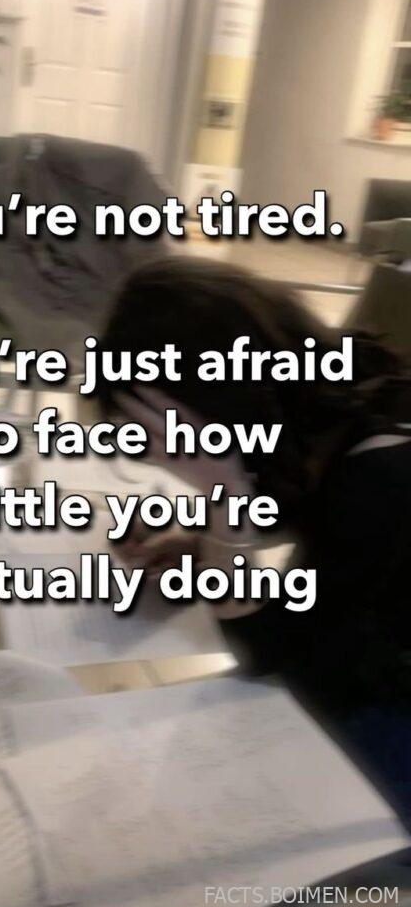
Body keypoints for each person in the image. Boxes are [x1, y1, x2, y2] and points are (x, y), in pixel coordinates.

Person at [96, 256, 411, 827]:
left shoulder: (380, 477)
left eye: (161, 440)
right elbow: (307, 511)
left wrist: (224, 502)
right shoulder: (325, 403)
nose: (158, 460)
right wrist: (200, 542)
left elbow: (271, 657)